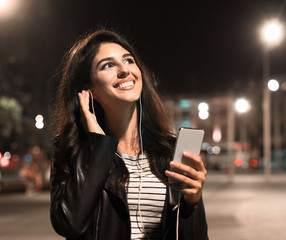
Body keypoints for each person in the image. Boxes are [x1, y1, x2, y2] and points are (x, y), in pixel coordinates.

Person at [50, 29, 208, 240]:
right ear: (89, 90)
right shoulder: (73, 151)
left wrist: (192, 203)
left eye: (129, 61)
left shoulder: (170, 152)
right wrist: (98, 146)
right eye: (108, 65)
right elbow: (70, 224)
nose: (124, 70)